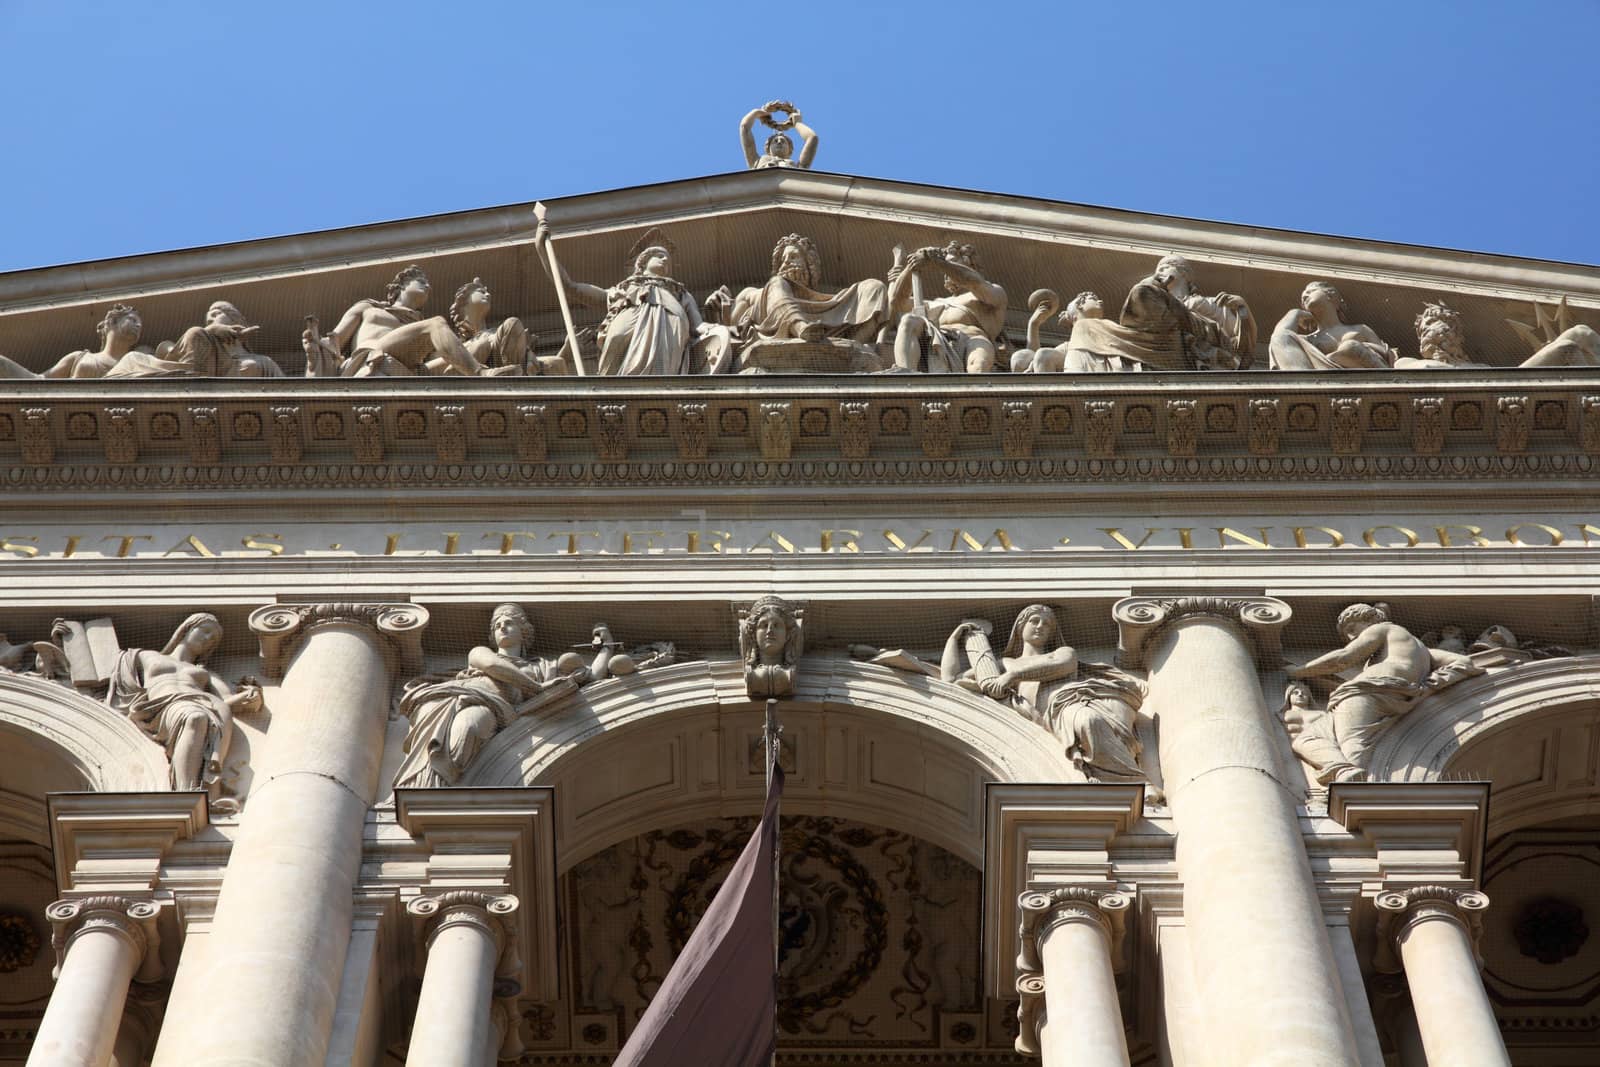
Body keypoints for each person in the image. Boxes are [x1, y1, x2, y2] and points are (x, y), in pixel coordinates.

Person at [395, 605, 635, 788]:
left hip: (497, 711)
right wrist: (538, 689)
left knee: (468, 729)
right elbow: (493, 666)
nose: (502, 627)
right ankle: (431, 788)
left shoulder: (544, 667)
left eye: (509, 623)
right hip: (467, 698)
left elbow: (591, 678)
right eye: (497, 625)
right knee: (461, 731)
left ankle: (439, 789)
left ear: (525, 633)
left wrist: (606, 648)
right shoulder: (480, 652)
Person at [942, 606, 1147, 784]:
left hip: (1067, 703)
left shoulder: (1062, 652)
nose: (1040, 626)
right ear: (1021, 627)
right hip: (1038, 715)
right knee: (1088, 722)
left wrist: (1012, 676)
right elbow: (950, 680)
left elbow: (1063, 665)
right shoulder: (1003, 664)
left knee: (1089, 720)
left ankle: (1136, 782)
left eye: (1047, 624)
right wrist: (954, 639)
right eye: (1034, 621)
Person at [1288, 602, 1482, 765]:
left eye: (1352, 629)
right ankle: (1344, 774)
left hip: (1367, 692)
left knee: (1351, 746)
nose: (1351, 638)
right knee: (1308, 738)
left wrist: (1297, 671)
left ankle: (1351, 786)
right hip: (1394, 695)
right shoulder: (1422, 650)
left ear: (1370, 620)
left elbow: (1343, 659)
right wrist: (1430, 685)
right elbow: (1464, 662)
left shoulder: (1383, 628)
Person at [533, 225, 733, 375]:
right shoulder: (620, 292)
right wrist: (542, 250)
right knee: (615, 371)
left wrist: (722, 326)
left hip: (669, 338)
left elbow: (699, 327)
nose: (665, 260)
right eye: (659, 256)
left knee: (662, 372)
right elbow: (571, 287)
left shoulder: (680, 294)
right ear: (643, 261)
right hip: (623, 335)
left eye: (667, 259)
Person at [106, 613, 260, 793]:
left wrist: (249, 695)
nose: (207, 639)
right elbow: (108, 670)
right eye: (205, 631)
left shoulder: (204, 673)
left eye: (212, 639)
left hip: (196, 704)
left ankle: (188, 791)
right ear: (187, 628)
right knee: (195, 716)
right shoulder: (143, 656)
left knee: (196, 717)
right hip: (158, 707)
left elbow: (224, 701)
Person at [304, 265, 517, 377]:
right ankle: (480, 373)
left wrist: (481, 343)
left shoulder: (418, 327)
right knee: (436, 324)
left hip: (413, 368)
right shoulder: (368, 307)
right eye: (421, 281)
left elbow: (440, 358)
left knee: (472, 344)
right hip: (374, 354)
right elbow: (335, 341)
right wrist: (315, 345)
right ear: (402, 285)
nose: (428, 287)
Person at [1065, 254, 1254, 371]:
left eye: (1165, 268)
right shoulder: (1157, 300)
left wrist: (1242, 309)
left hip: (1195, 334)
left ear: (1183, 274)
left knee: (1142, 291)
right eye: (1158, 270)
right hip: (1159, 342)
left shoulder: (1211, 303)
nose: (1160, 272)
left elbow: (1239, 349)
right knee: (1088, 325)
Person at [729, 234, 890, 349]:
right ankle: (800, 328)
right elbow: (732, 325)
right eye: (782, 261)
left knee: (874, 286)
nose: (786, 264)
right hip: (779, 326)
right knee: (777, 282)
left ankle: (854, 345)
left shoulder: (828, 301)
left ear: (809, 266)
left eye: (793, 257)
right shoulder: (757, 292)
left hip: (824, 318)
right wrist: (716, 311)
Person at [888, 242, 1008, 373]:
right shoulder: (933, 304)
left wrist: (936, 262)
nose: (946, 272)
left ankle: (974, 391)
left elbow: (971, 281)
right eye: (946, 265)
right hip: (935, 342)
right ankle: (907, 378)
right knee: (908, 320)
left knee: (979, 362)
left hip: (972, 340)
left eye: (952, 264)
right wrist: (911, 266)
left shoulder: (989, 292)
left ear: (970, 266)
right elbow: (896, 301)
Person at [1395, 301, 1600, 369]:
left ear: (1456, 334)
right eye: (1424, 328)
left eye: (1432, 323)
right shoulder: (1406, 364)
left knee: (1580, 333)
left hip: (1513, 392)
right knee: (1567, 348)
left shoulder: (1479, 367)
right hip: (1511, 395)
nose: (1427, 332)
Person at [0, 304, 160, 379]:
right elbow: (40, 382)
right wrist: (4, 365)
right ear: (112, 323)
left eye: (140, 323)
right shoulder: (80, 357)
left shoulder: (139, 358)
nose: (138, 325)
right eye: (132, 320)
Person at [1269, 281, 1397, 370]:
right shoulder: (1308, 340)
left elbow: (1386, 357)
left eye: (1311, 291)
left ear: (1331, 294)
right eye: (1302, 298)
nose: (1304, 297)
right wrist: (1294, 314)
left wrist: (1353, 349)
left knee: (1350, 346)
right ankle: (1302, 386)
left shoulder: (1360, 329)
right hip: (1317, 380)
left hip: (1366, 376)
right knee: (1280, 337)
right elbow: (1281, 338)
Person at [144, 300, 286, 378]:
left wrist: (309, 360)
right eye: (208, 320)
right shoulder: (207, 351)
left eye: (216, 314)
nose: (210, 319)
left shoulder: (264, 362)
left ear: (235, 319)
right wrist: (212, 330)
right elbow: (196, 336)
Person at [447, 278, 534, 374]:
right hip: (470, 377)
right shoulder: (452, 342)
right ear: (464, 301)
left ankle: (512, 376)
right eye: (481, 292)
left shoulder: (497, 333)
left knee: (512, 323)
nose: (488, 295)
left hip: (509, 365)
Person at [740, 102, 818, 170]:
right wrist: (758, 113)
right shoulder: (756, 161)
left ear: (790, 150)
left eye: (783, 141)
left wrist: (797, 123)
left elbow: (812, 138)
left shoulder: (799, 168)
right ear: (768, 148)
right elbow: (744, 127)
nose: (779, 142)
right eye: (775, 141)